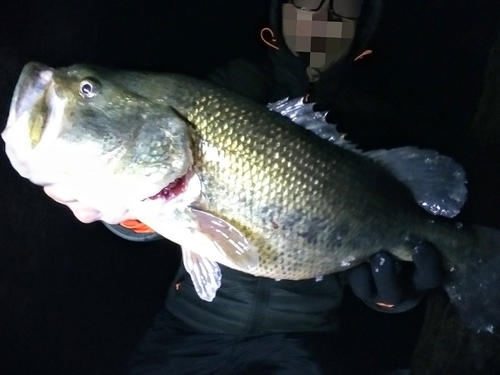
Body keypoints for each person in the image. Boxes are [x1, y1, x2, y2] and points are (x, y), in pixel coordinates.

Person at [103, 1, 444, 374]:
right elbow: (159, 179)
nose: (321, 19)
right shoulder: (233, 84)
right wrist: (130, 213)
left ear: (361, 27)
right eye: (306, 3)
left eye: (342, 9)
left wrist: (397, 293)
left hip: (302, 336)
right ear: (279, 13)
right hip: (191, 323)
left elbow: (380, 240)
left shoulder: (375, 121)